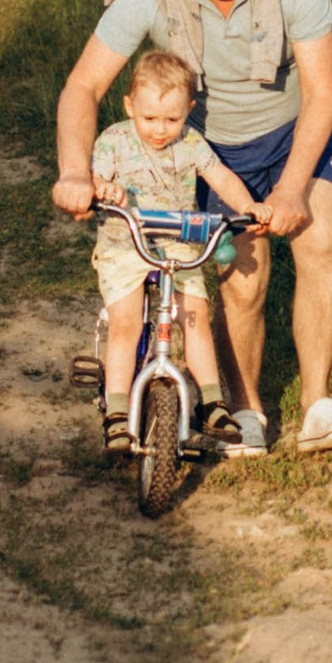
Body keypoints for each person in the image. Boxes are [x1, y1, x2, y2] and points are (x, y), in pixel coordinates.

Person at [52, 0, 332, 452]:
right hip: (212, 149)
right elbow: (82, 87)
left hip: (297, 131)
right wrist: (75, 171)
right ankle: (246, 413)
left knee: (318, 241)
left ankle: (320, 403)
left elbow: (323, 93)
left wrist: (295, 188)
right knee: (241, 281)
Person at [86, 46, 264, 452]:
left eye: (173, 118)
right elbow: (94, 180)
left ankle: (213, 402)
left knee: (196, 315)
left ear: (189, 109)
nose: (161, 129)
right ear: (130, 106)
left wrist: (247, 206)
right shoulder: (114, 141)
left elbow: (219, 174)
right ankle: (116, 412)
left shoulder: (191, 142)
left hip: (178, 247)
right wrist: (103, 189)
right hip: (124, 245)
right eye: (150, 118)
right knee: (126, 322)